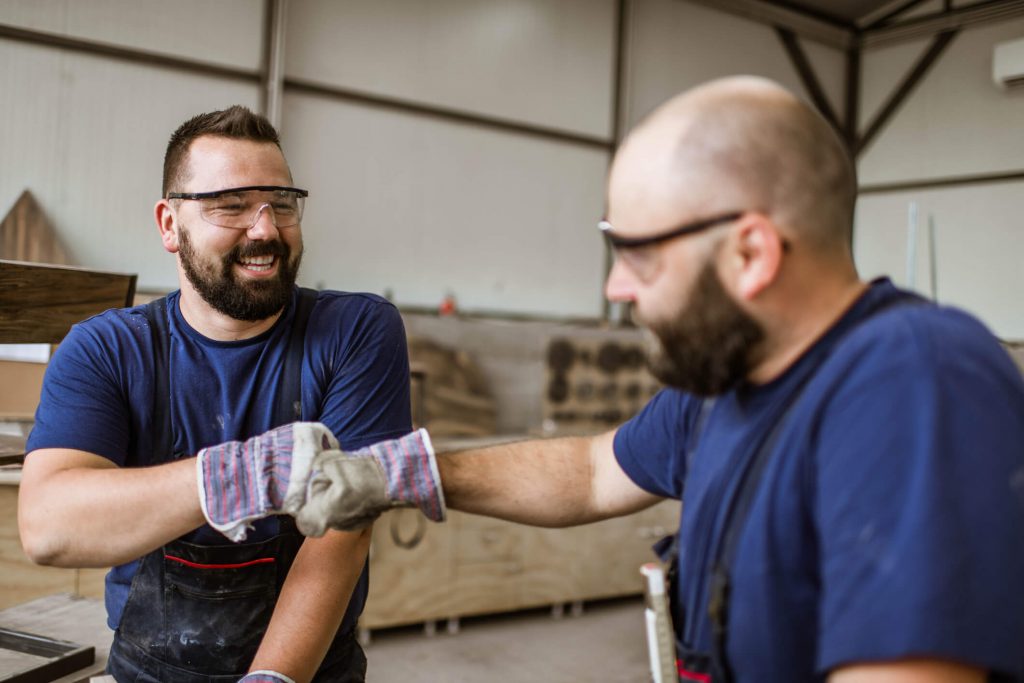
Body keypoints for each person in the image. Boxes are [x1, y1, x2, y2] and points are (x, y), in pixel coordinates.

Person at [289, 77, 1024, 682]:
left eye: (637, 253)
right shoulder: (721, 389)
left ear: (751, 253)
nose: (615, 287)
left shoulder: (911, 383)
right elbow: (586, 472)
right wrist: (400, 474)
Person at [18, 105, 424, 682]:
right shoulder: (106, 349)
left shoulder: (356, 331)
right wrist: (239, 477)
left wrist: (273, 679)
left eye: (281, 204)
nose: (264, 229)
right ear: (168, 224)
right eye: (230, 205)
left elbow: (344, 531)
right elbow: (47, 526)